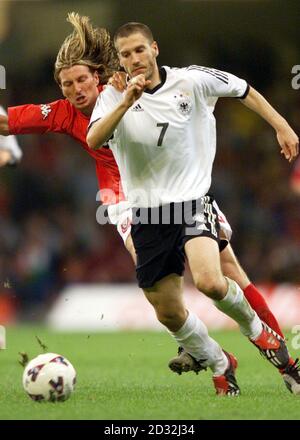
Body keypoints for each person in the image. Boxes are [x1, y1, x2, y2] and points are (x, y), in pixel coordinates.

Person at [0, 14, 297, 394]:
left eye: (81, 80)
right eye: (67, 84)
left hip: (179, 190)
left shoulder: (126, 86)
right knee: (156, 280)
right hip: (124, 199)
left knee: (226, 274)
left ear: (99, 75)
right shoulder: (68, 111)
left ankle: (282, 359)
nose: (76, 90)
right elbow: (9, 121)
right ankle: (205, 351)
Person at [87, 22, 299, 396]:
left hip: (191, 201)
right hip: (147, 214)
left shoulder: (192, 81)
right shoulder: (112, 97)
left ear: (154, 48)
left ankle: (259, 333)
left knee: (210, 280)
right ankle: (220, 362)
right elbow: (94, 138)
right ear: (119, 61)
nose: (134, 59)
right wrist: (125, 102)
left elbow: (244, 90)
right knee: (167, 311)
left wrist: (281, 125)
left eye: (139, 50)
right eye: (125, 54)